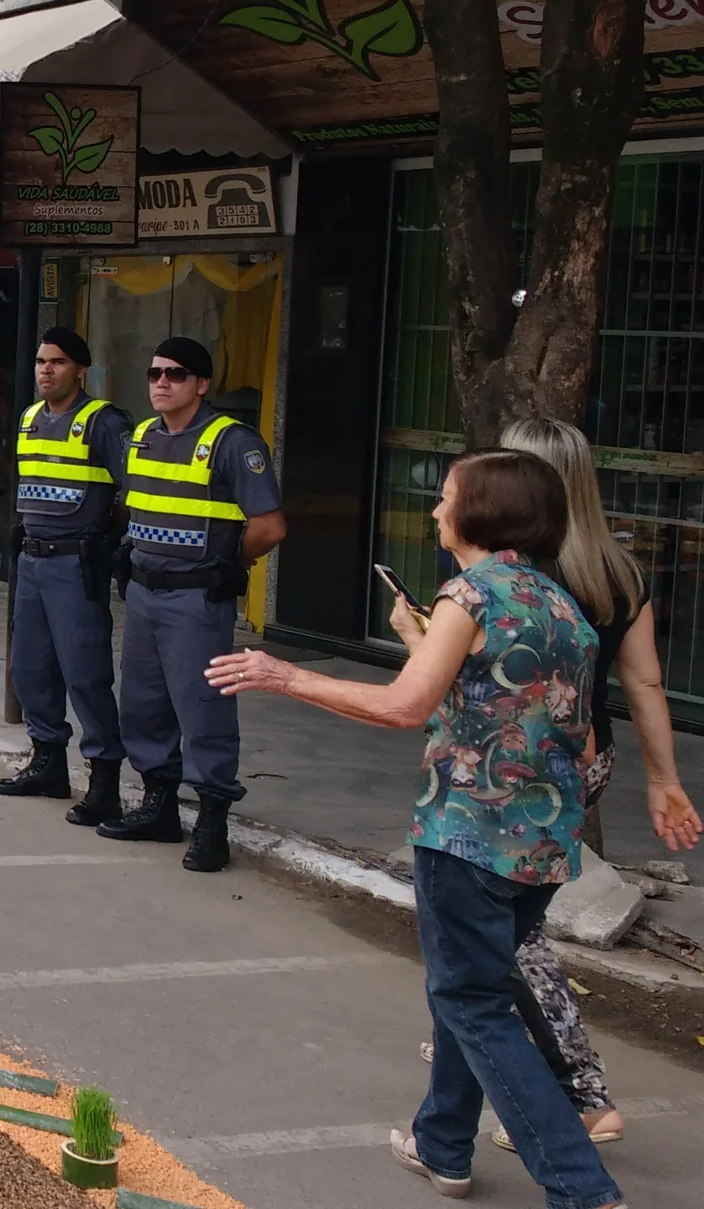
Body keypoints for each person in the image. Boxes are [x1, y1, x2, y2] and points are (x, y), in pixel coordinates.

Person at [205, 450, 623, 1209]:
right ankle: (443, 1145)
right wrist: (422, 643)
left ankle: (582, 1188)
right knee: (469, 988)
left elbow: (404, 709)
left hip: (467, 835)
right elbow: (567, 738)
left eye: (446, 499)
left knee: (472, 1003)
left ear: (479, 513)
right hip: (544, 845)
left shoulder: (469, 594)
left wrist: (284, 675)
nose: (435, 513)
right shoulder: (563, 609)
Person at [493, 418, 701, 1152]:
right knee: (496, 925)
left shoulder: (515, 573)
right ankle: (480, 1042)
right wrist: (663, 781)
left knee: (506, 933)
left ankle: (577, 1091)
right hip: (585, 764)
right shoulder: (618, 571)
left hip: (512, 774)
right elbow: (643, 680)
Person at [100, 336, 284, 872]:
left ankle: (211, 820)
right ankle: (158, 807)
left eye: (176, 374)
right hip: (143, 594)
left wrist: (231, 563)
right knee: (143, 703)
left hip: (196, 598)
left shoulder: (232, 442)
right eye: (155, 373)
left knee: (203, 709)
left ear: (202, 385)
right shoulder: (140, 436)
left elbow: (270, 526)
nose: (161, 382)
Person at [0, 327, 136, 814]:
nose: (45, 370)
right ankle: (48, 762)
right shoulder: (30, 418)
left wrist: (106, 538)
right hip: (32, 561)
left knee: (85, 672)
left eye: (56, 362)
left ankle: (104, 781)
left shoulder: (104, 422)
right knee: (30, 668)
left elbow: (135, 491)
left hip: (76, 563)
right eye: (40, 362)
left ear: (80, 370)